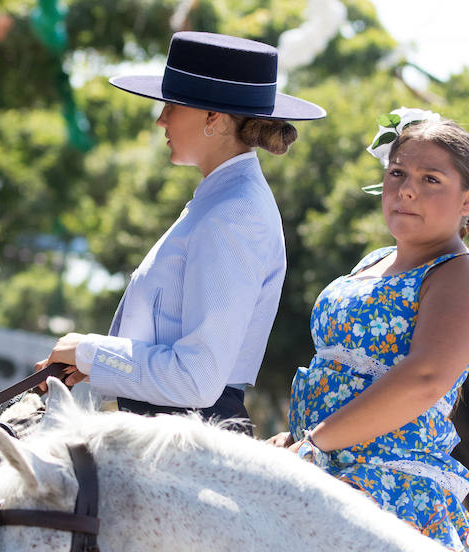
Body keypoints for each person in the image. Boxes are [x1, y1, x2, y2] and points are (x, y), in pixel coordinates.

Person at [268, 107, 469, 552]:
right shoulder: (373, 260)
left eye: (431, 179)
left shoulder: (465, 274)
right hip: (316, 463)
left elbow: (423, 379)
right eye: (398, 173)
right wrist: (296, 441)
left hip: (388, 486)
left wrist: (313, 445)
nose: (407, 189)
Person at [36, 32, 325, 432]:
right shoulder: (222, 200)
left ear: (215, 118)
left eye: (171, 105)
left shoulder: (234, 213)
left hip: (186, 442)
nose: (161, 119)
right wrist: (96, 365)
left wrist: (91, 352)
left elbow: (196, 378)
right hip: (171, 431)